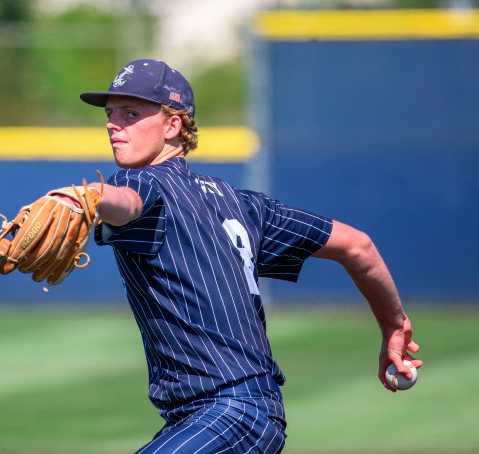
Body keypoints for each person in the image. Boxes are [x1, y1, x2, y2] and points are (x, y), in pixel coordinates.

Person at [76, 59, 422, 453]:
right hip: (241, 414)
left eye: (131, 114)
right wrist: (395, 325)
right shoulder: (242, 204)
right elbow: (358, 246)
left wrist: (89, 196)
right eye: (110, 114)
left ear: (173, 126)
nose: (112, 124)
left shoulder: (140, 179)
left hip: (225, 413)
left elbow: (128, 202)